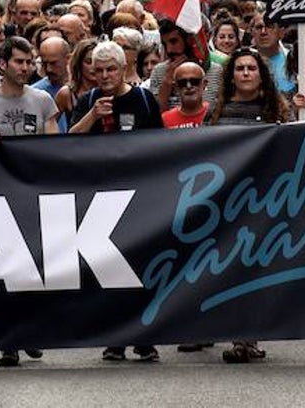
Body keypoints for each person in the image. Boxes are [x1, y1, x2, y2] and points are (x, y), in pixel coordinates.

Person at [69, 38, 162, 363]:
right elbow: (68, 143)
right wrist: (92, 116)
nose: (105, 76)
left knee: (140, 268)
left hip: (138, 196)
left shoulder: (144, 99)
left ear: (124, 69)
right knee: (107, 270)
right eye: (99, 70)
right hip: (99, 196)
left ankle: (145, 337)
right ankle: (115, 337)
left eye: (111, 69)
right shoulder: (88, 99)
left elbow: (163, 146)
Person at [208, 48, 290, 364]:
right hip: (227, 204)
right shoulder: (216, 112)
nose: (245, 73)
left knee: (254, 271)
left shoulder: (275, 113)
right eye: (239, 68)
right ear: (231, 75)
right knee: (231, 272)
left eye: (251, 68)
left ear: (261, 74)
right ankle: (240, 334)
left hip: (262, 203)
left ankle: (247, 338)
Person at [160, 62, 209, 128]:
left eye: (194, 81)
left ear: (204, 84)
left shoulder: (214, 113)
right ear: (176, 87)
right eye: (182, 83)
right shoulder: (165, 119)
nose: (189, 86)